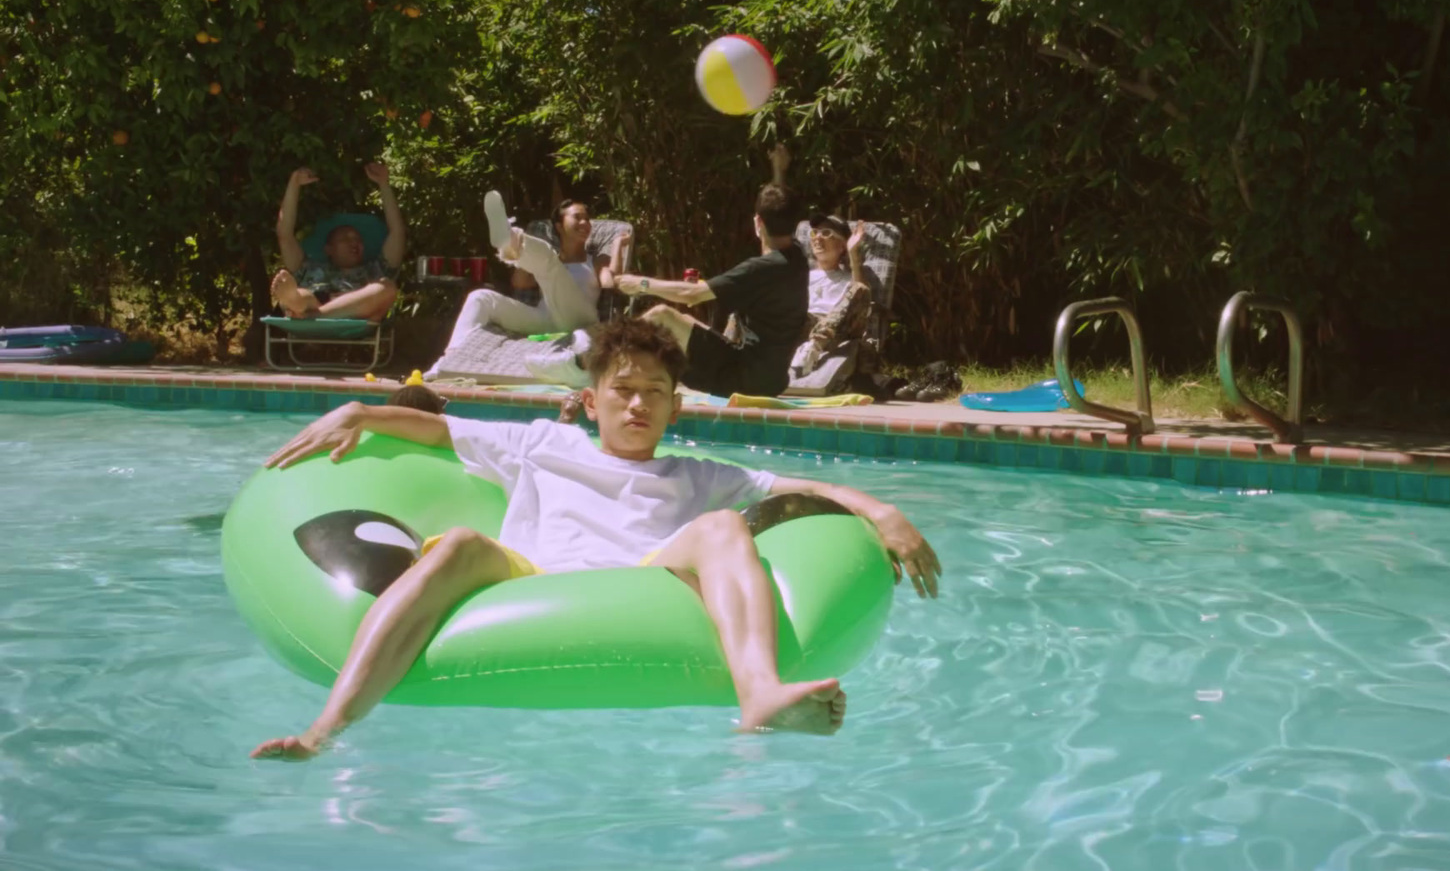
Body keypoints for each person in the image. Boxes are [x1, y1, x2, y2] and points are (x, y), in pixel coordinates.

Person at [250, 318, 940, 761]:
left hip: (644, 573)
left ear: (676, 404)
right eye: (623, 390)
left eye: (655, 392)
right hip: (530, 574)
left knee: (726, 527)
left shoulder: (695, 475)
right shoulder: (541, 443)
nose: (638, 404)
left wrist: (881, 512)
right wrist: (357, 408)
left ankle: (759, 694)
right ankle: (326, 727)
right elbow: (437, 428)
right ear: (591, 401)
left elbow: (796, 487)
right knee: (458, 541)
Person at [613, 184, 808, 398]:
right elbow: (779, 209)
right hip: (772, 380)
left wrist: (641, 284)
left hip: (742, 378)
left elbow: (692, 295)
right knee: (684, 320)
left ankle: (605, 367)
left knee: (662, 316)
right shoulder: (797, 257)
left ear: (758, 222)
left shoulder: (760, 268)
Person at [424, 195, 624, 381]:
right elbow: (520, 283)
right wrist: (529, 261)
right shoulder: (551, 258)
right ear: (559, 226)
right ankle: (446, 362)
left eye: (587, 219)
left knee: (549, 263)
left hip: (582, 320)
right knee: (480, 297)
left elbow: (608, 282)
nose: (585, 223)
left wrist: (617, 247)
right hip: (545, 319)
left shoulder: (595, 258)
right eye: (577, 217)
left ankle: (511, 241)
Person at [270, 163, 405, 322]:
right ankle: (294, 299)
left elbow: (397, 232)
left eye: (357, 239)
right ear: (328, 249)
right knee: (303, 296)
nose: (353, 242)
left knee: (387, 288)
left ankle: (316, 316)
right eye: (345, 239)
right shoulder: (309, 268)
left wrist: (384, 183)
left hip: (353, 311)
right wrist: (294, 183)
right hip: (313, 301)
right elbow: (284, 235)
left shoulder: (375, 269)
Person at [792, 215, 875, 377]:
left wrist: (853, 254)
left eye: (827, 233)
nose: (818, 238)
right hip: (803, 325)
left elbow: (863, 296)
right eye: (815, 233)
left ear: (841, 246)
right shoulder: (801, 276)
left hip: (838, 331)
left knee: (861, 290)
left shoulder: (850, 278)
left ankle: (813, 349)